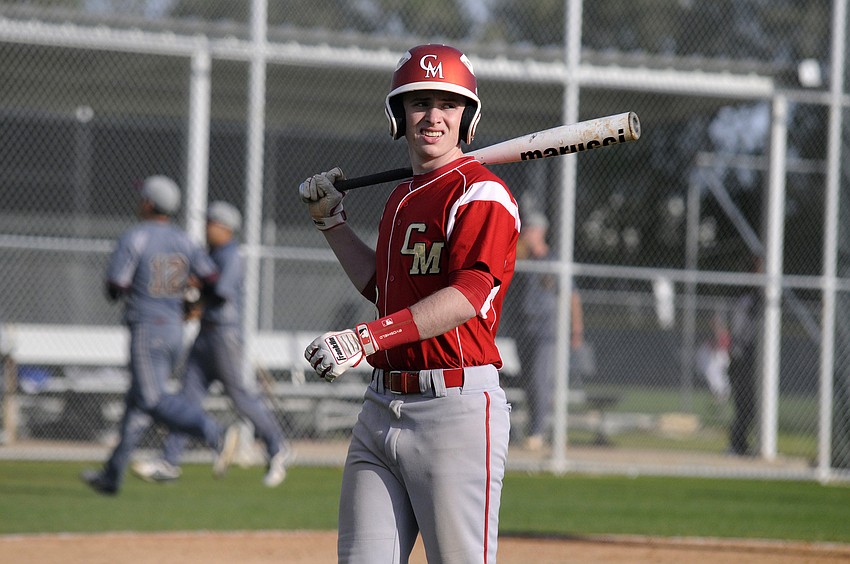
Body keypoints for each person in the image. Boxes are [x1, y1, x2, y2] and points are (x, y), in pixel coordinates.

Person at [298, 44, 520, 563]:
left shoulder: (482, 193)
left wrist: (365, 340)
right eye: (419, 102)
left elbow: (470, 294)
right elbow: (384, 288)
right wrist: (330, 223)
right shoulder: (403, 197)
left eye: (447, 102)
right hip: (382, 407)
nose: (433, 116)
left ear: (468, 115)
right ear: (399, 115)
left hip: (455, 409)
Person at [80, 176, 241, 495]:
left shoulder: (136, 237)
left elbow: (115, 287)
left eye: (144, 198)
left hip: (147, 328)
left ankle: (215, 434)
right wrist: (189, 298)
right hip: (174, 330)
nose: (140, 202)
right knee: (136, 403)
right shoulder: (184, 240)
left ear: (150, 204)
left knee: (151, 399)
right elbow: (212, 280)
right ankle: (112, 476)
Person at [131, 201, 294, 487]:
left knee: (240, 397)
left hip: (223, 336)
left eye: (210, 222)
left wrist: (195, 295)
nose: (205, 227)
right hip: (206, 334)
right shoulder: (212, 254)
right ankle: (169, 461)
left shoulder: (231, 254)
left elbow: (219, 293)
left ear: (224, 228)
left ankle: (277, 447)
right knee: (187, 399)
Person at [513, 211, 585, 451]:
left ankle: (537, 431)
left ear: (542, 232)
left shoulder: (553, 260)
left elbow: (572, 296)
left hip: (548, 330)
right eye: (526, 229)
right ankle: (536, 427)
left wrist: (576, 328)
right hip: (524, 328)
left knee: (539, 379)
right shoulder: (522, 259)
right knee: (528, 382)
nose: (527, 234)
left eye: (532, 229)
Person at [727, 257, 763, 456]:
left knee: (751, 405)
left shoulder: (758, 299)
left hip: (754, 359)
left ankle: (740, 443)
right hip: (743, 359)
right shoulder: (746, 301)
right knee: (745, 404)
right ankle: (736, 444)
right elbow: (738, 334)